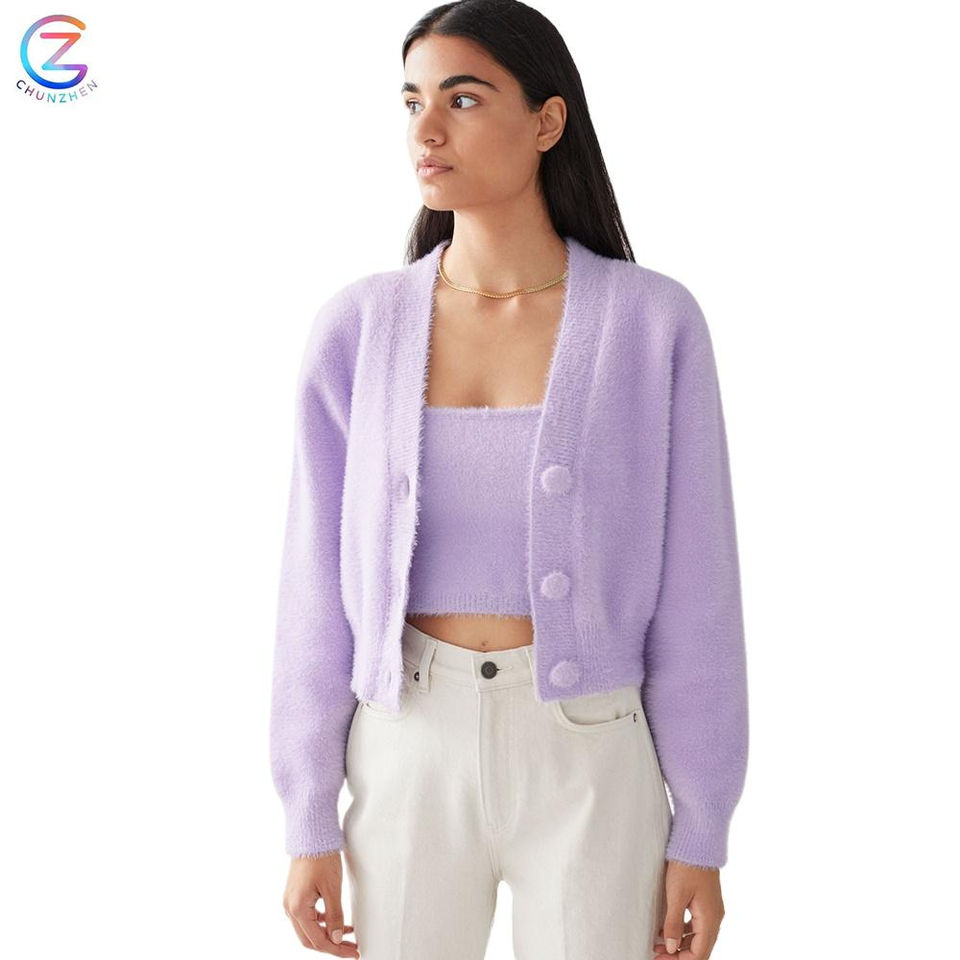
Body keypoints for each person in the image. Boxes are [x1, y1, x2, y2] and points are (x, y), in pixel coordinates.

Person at [270, 2, 749, 958]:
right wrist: (307, 813)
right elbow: (314, 588)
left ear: (546, 121)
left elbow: (699, 590)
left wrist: (701, 827)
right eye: (412, 101)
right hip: (406, 743)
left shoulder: (653, 324)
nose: (427, 130)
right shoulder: (359, 328)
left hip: (591, 751)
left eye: (463, 99)